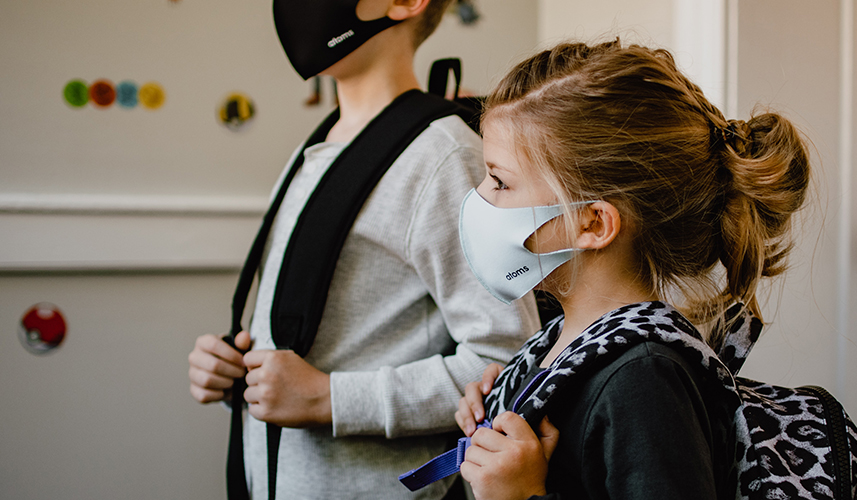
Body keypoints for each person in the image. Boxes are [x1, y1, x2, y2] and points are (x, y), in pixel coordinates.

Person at [187, 0, 539, 498]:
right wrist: (236, 373)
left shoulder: (442, 158)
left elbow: (505, 360)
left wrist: (327, 399)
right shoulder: (314, 150)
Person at [453, 39, 811, 500]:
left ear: (593, 222)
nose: (480, 197)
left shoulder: (644, 383)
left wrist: (521, 494)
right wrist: (505, 398)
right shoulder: (568, 341)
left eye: (500, 181)